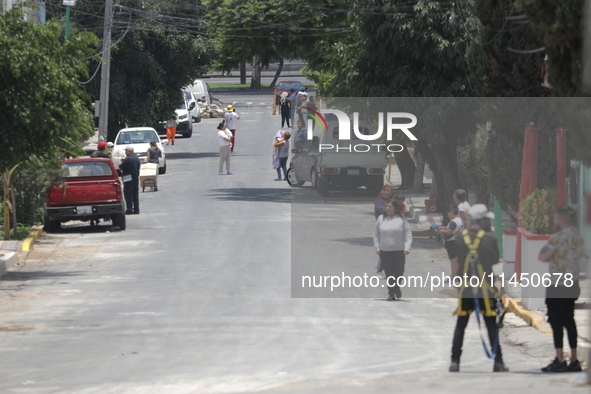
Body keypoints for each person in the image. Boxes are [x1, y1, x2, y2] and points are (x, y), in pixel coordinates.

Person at [450, 204, 508, 373]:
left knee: (461, 325)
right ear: (482, 220)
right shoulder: (490, 238)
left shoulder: (461, 237)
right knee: (491, 325)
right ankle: (498, 361)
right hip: (486, 288)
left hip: (466, 288)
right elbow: (495, 259)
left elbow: (459, 258)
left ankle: (455, 361)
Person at [538, 205, 584, 373]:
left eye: (556, 217)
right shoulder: (578, 237)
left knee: (556, 322)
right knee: (569, 321)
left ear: (562, 219)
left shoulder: (557, 237)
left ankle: (559, 359)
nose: (555, 220)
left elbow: (542, 256)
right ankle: (574, 359)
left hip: (557, 284)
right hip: (572, 283)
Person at [373, 201, 412, 301]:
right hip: (385, 251)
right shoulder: (381, 219)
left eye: (390, 206)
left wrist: (407, 248)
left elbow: (408, 234)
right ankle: (391, 293)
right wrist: (377, 248)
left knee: (399, 272)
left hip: (399, 250)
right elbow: (376, 235)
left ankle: (397, 288)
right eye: (386, 206)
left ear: (395, 208)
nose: (387, 208)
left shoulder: (401, 220)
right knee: (389, 273)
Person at [434, 204, 463, 278]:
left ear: (452, 212)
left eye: (448, 213)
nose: (447, 215)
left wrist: (441, 231)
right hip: (458, 241)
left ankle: (453, 276)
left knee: (453, 260)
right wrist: (444, 228)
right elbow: (451, 229)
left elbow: (450, 231)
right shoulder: (460, 220)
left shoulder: (453, 222)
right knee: (457, 260)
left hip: (451, 242)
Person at [119, 146, 140, 214]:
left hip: (128, 179)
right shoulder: (137, 158)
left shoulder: (127, 159)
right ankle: (136, 209)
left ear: (130, 151)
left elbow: (121, 167)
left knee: (128, 195)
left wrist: (121, 162)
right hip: (135, 178)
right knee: (135, 194)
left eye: (126, 151)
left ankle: (129, 209)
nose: (125, 152)